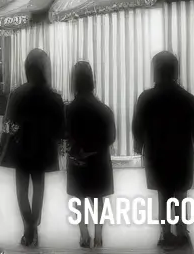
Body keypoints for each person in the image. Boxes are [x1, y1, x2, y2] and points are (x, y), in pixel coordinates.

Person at [132, 51, 194, 248]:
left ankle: (165, 233)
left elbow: (137, 128)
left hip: (156, 156)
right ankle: (182, 230)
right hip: (182, 156)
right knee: (180, 193)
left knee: (164, 194)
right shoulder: (188, 99)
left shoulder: (146, 98)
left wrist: (140, 146)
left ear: (155, 71)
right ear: (176, 71)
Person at [0, 48, 65, 247]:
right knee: (39, 186)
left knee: (21, 188)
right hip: (43, 149)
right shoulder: (53, 97)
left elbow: (9, 124)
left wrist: (10, 141)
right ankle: (34, 223)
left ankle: (28, 226)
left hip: (21, 148)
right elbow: (60, 128)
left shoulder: (17, 94)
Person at [66, 61, 116, 248]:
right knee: (98, 199)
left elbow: (66, 134)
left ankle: (84, 235)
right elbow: (111, 137)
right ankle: (99, 235)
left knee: (79, 199)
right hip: (99, 159)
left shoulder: (70, 109)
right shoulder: (104, 109)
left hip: (78, 159)